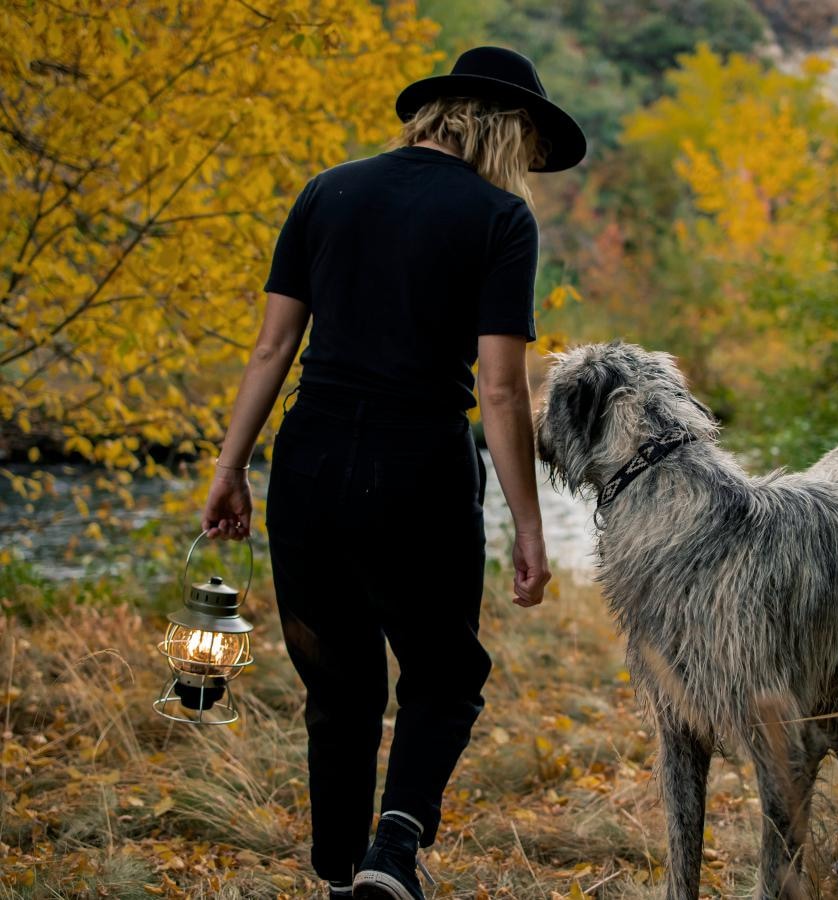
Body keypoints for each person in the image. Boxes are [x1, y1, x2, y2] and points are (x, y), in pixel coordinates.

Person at [201, 45, 586, 900]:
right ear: (499, 125)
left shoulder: (327, 190)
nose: (524, 166)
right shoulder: (499, 219)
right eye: (524, 144)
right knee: (446, 676)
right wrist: (529, 525)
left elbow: (272, 346)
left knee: (337, 690)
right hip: (419, 468)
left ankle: (339, 878)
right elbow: (500, 390)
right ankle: (394, 849)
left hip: (309, 460)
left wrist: (230, 467)